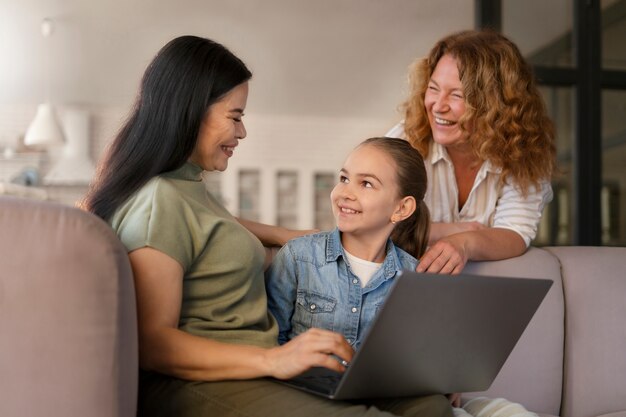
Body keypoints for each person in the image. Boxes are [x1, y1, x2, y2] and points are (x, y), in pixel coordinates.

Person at [82, 35, 452, 417]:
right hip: (202, 384)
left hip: (254, 373)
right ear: (192, 111)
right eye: (235, 117)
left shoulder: (190, 188)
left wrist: (287, 235)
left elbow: (210, 226)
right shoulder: (159, 199)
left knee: (429, 407)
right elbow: (152, 343)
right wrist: (273, 360)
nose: (241, 133)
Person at [387, 29, 556, 275]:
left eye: (457, 95)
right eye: (433, 89)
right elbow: (374, 225)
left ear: (496, 106)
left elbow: (515, 233)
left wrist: (465, 243)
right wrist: (455, 231)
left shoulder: (525, 151)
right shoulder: (403, 140)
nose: (438, 106)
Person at [266, 137, 430, 350]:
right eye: (344, 178)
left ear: (401, 209)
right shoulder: (298, 257)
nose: (345, 193)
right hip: (300, 384)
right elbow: (267, 343)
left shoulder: (415, 279)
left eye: (366, 184)